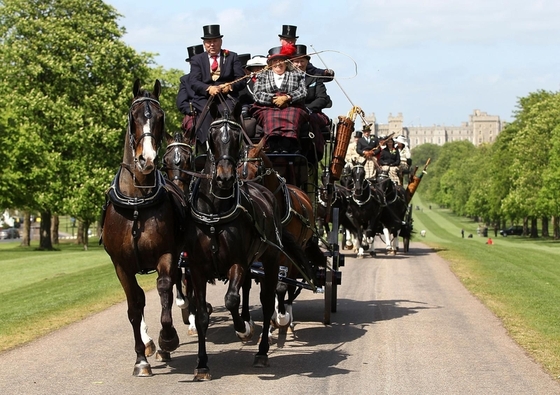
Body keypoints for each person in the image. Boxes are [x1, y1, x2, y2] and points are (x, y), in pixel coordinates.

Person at [188, 25, 246, 144]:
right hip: (204, 98)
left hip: (226, 97)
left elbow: (241, 79)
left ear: (220, 41)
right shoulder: (197, 60)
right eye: (209, 42)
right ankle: (207, 144)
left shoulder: (232, 57)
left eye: (215, 41)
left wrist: (230, 86)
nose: (212, 44)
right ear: (204, 44)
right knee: (208, 114)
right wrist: (208, 88)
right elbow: (193, 81)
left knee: (228, 115)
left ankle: (231, 145)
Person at [250, 43, 308, 154]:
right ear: (270, 63)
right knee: (270, 116)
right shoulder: (262, 75)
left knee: (293, 115)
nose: (278, 63)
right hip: (267, 107)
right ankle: (273, 145)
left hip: (291, 105)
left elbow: (303, 91)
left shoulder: (296, 75)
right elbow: (257, 94)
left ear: (286, 62)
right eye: (275, 61)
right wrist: (273, 99)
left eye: (281, 60)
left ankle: (289, 144)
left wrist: (288, 97)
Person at [291, 44, 332, 162]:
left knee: (310, 119)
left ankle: (314, 152)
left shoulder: (314, 78)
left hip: (312, 112)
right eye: (296, 61)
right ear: (291, 63)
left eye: (302, 61)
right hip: (292, 112)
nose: (299, 64)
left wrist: (307, 109)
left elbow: (322, 98)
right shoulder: (285, 79)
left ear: (307, 62)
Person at [176, 44, 205, 137]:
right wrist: (192, 111)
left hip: (213, 111)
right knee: (191, 126)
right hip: (195, 114)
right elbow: (181, 102)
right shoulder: (185, 80)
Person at [238, 55, 268, 138]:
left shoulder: (271, 82)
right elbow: (242, 98)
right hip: (249, 113)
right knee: (247, 126)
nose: (258, 70)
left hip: (266, 109)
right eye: (255, 67)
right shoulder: (244, 83)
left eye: (261, 67)